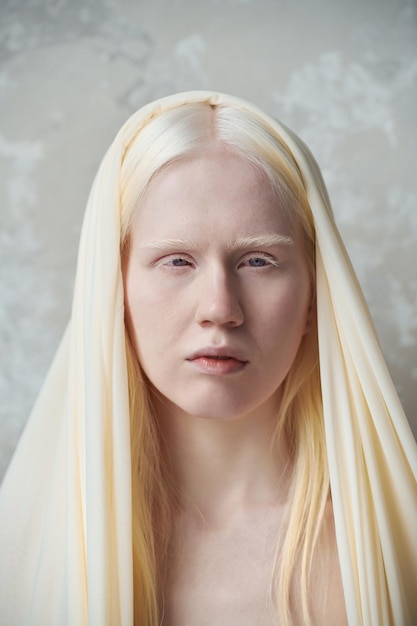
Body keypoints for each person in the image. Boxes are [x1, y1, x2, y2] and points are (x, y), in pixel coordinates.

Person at [0, 91, 416, 626]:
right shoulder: (23, 559)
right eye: (176, 260)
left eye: (259, 260)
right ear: (114, 291)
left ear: (316, 295)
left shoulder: (384, 561)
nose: (220, 310)